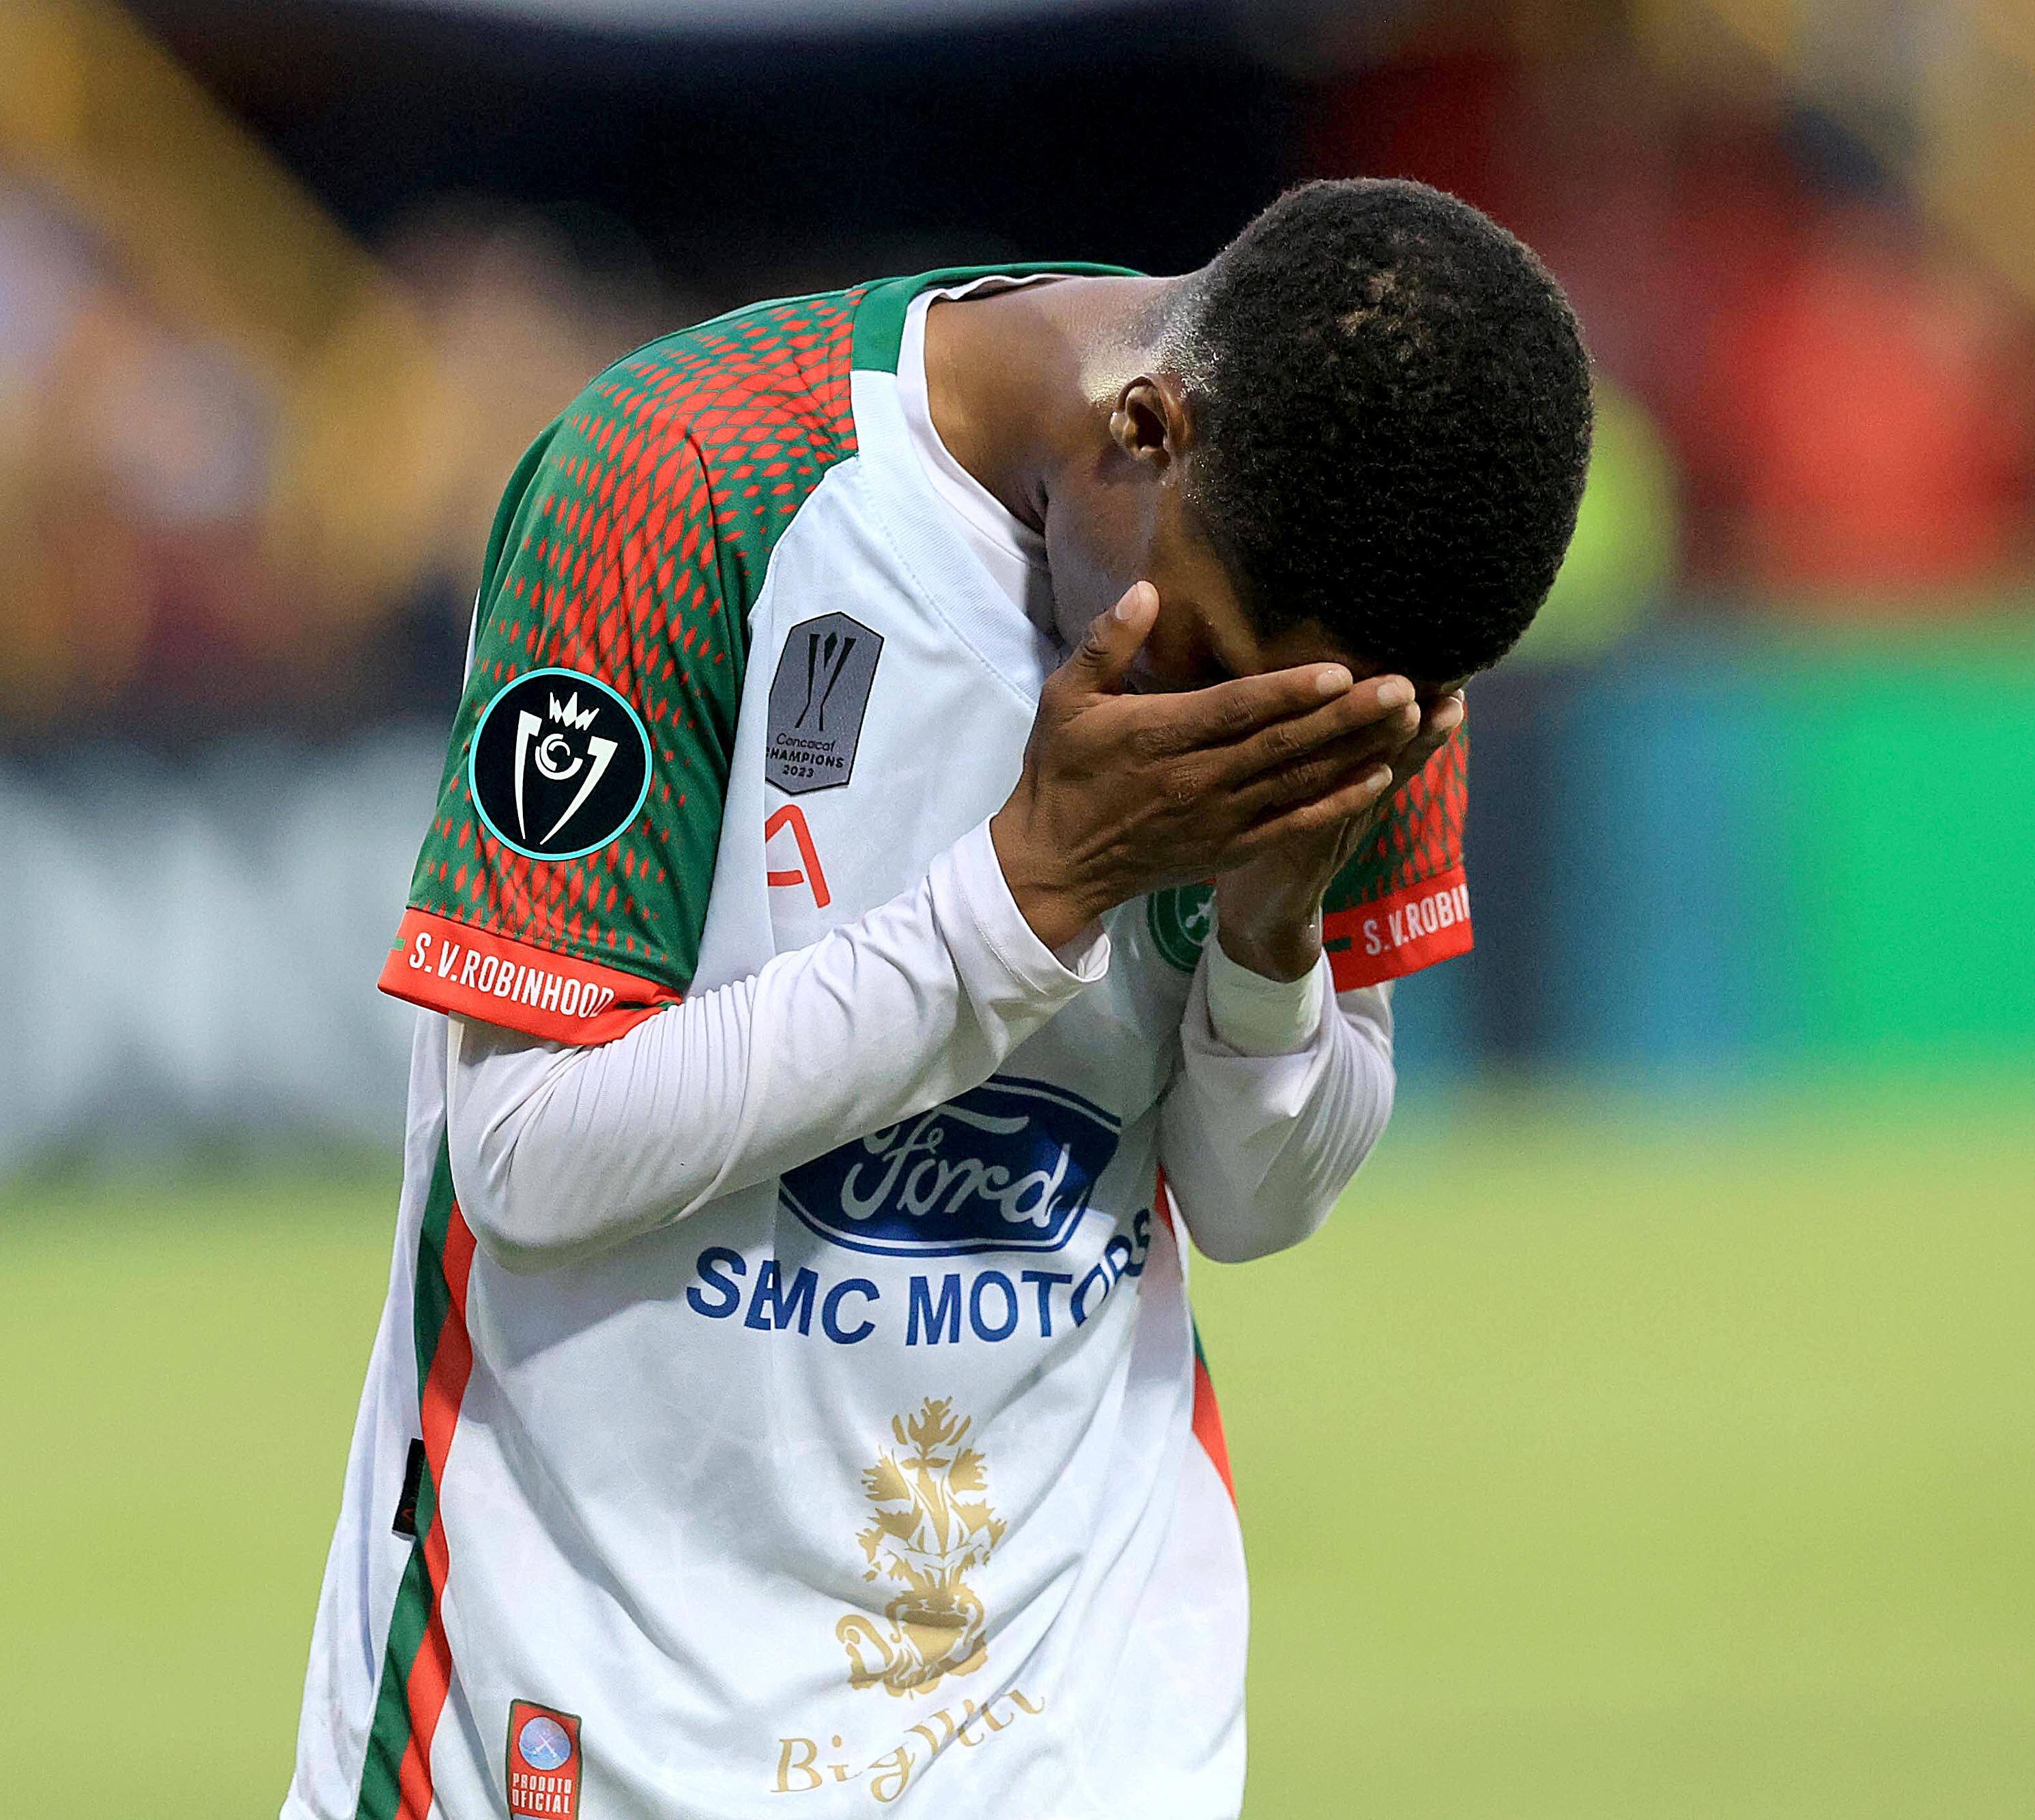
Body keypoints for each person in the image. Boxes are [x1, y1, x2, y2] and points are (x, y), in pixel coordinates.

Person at [283, 177, 1592, 1820]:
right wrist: (1026, 894)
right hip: (572, 1712)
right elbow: (530, 1156)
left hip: (1071, 1720)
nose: (1222, 728)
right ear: (1145, 425)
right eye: (1200, 657)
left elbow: (1256, 1202)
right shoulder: (683, 483)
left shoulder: (1363, 620)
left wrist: (1270, 942)